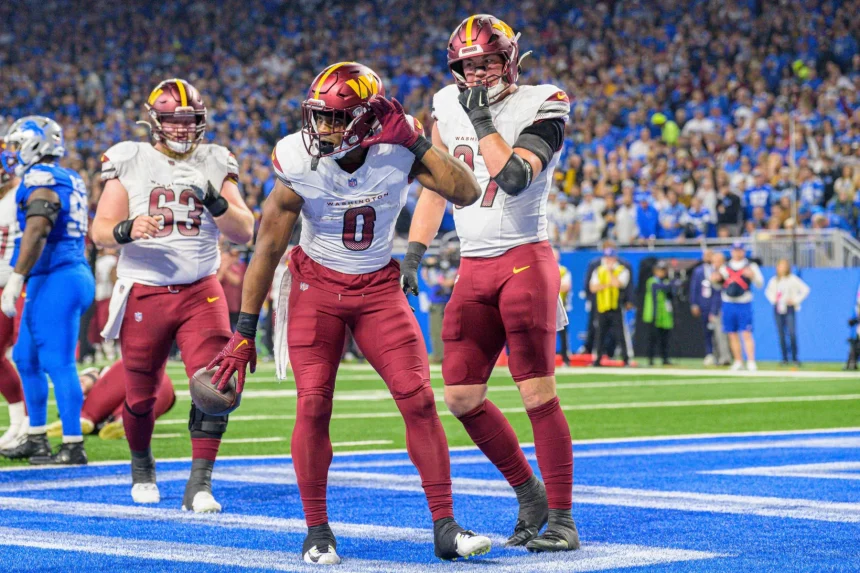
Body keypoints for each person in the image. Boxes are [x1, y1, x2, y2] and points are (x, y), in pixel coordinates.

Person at [209, 62, 490, 564]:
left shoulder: (398, 146)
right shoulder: (297, 158)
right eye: (319, 117)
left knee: (419, 399)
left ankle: (445, 525)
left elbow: (467, 191)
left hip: (379, 289)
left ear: (367, 118)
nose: (323, 129)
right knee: (313, 405)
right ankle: (317, 530)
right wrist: (244, 331)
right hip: (316, 288)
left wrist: (417, 142)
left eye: (337, 119)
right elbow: (267, 248)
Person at [403, 15, 579, 552]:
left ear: (511, 60)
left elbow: (515, 178)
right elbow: (437, 187)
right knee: (459, 395)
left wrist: (484, 126)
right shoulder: (446, 104)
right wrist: (414, 249)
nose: (477, 72)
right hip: (473, 264)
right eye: (468, 64)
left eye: (487, 61)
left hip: (525, 257)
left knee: (536, 392)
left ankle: (564, 521)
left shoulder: (545, 100)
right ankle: (530, 493)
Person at [91, 79, 255, 511]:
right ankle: (142, 466)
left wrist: (213, 198)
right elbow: (101, 230)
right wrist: (128, 228)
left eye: (189, 121)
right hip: (145, 290)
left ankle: (200, 483)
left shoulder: (215, 160)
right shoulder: (130, 158)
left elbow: (245, 230)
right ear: (154, 121)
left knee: (217, 385)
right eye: (172, 121)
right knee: (141, 394)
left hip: (201, 288)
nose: (182, 130)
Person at [0, 116, 95, 465]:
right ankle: (37, 437)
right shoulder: (63, 175)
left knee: (58, 361)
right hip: (49, 275)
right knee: (26, 358)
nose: (10, 153)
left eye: (15, 145)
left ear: (35, 144)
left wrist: (15, 277)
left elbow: (38, 228)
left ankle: (72, 443)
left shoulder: (42, 177)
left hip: (60, 274)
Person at [46, 360, 176, 440]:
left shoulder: (98, 380)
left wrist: (88, 380)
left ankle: (83, 419)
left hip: (101, 403)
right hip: (159, 387)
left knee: (132, 369)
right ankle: (126, 420)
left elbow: (91, 377)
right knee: (154, 385)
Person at [0, 161, 26, 450]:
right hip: (4, 283)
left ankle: (30, 424)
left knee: (26, 355)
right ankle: (18, 420)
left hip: (16, 283)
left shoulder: (19, 194)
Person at [714, 242, 764, 371]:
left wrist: (752, 275)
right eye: (735, 250)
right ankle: (738, 360)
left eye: (739, 250)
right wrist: (715, 279)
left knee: (746, 333)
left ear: (743, 251)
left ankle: (751, 361)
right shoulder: (725, 267)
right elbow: (717, 284)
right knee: (732, 333)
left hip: (743, 303)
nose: (737, 253)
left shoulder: (750, 266)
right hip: (728, 303)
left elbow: (760, 283)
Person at [589, 247, 630, 367]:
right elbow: (593, 287)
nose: (609, 260)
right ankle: (598, 359)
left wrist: (610, 273)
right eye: (607, 258)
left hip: (616, 305)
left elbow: (618, 284)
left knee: (620, 334)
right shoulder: (599, 270)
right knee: (600, 334)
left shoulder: (621, 270)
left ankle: (626, 358)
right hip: (602, 306)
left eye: (610, 257)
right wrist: (606, 284)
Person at [765, 259, 810, 366]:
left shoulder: (792, 279)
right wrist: (774, 300)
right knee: (781, 334)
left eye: (784, 266)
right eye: (780, 266)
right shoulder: (774, 280)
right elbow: (768, 292)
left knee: (791, 333)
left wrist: (795, 300)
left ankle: (795, 358)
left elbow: (805, 290)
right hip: (778, 308)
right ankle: (784, 358)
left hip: (789, 308)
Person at [422, 245, 458, 364]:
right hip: (437, 301)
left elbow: (450, 281)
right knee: (436, 330)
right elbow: (427, 277)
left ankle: (448, 355)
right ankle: (439, 355)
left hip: (450, 300)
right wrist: (428, 266)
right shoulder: (436, 267)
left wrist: (442, 280)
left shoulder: (454, 265)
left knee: (451, 330)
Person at [689, 249, 720, 365]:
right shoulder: (698, 271)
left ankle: (718, 354)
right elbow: (694, 288)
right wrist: (694, 303)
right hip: (703, 304)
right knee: (706, 331)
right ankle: (709, 353)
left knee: (717, 331)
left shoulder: (717, 270)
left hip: (715, 303)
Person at [88, 248, 119, 362]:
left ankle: (110, 349)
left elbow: (114, 278)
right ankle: (99, 349)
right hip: (96, 296)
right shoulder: (94, 260)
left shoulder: (109, 260)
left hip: (107, 295)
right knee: (95, 326)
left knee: (105, 323)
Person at [643, 261, 675, 366]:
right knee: (652, 338)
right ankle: (650, 359)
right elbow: (658, 288)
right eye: (660, 270)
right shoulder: (651, 281)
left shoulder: (666, 281)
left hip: (664, 315)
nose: (662, 272)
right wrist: (670, 285)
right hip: (653, 314)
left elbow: (671, 294)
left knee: (664, 339)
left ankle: (665, 358)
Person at [557, 248, 572, 366]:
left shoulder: (563, 270)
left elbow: (566, 286)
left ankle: (565, 359)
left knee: (563, 335)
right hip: (544, 306)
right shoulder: (541, 268)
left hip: (560, 305)